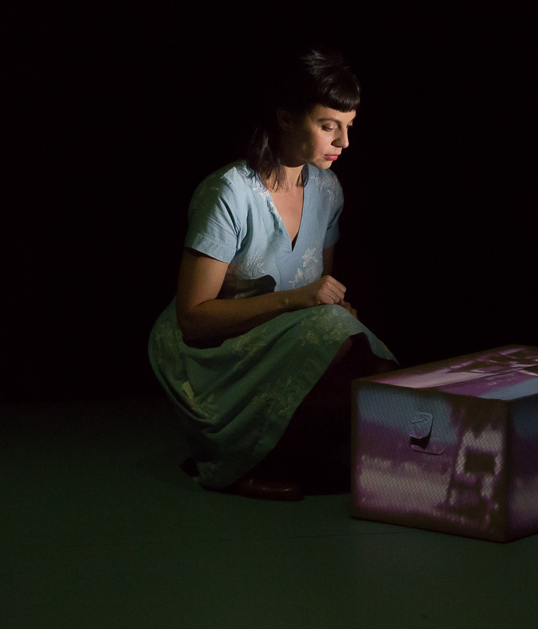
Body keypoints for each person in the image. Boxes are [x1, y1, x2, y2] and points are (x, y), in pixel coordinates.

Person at [148, 48, 397, 501]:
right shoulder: (229, 193)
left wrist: (332, 307)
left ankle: (289, 452)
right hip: (212, 348)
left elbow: (319, 294)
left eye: (348, 127)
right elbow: (193, 320)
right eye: (328, 127)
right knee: (340, 338)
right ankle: (238, 458)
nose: (343, 143)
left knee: (369, 361)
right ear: (285, 117)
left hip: (279, 334)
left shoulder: (327, 189)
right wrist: (297, 301)